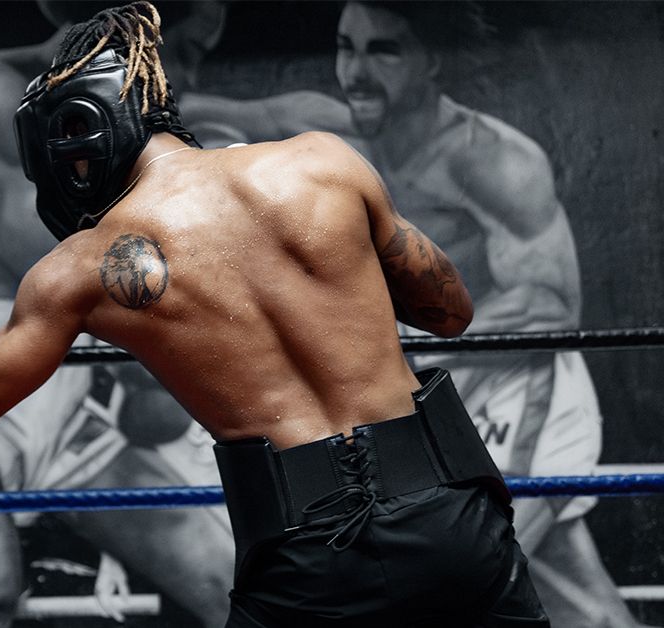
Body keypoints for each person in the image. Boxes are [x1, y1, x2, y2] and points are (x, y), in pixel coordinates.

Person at [0, 3, 550, 626]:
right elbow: (449, 309)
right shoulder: (325, 162)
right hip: (453, 514)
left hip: (309, 544)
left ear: (82, 136)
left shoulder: (84, 269)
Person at [182, 3, 643, 625]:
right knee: (561, 591)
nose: (356, 71)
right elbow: (189, 115)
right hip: (421, 396)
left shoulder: (492, 159)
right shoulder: (320, 133)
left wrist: (394, 342)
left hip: (517, 388)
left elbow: (551, 306)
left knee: (461, 585)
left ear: (432, 60)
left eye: (385, 50)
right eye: (346, 46)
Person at [0, 1, 232, 625]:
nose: (192, 78)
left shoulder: (142, 125)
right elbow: (48, 255)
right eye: (189, 53)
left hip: (64, 374)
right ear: (139, 40)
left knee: (223, 574)